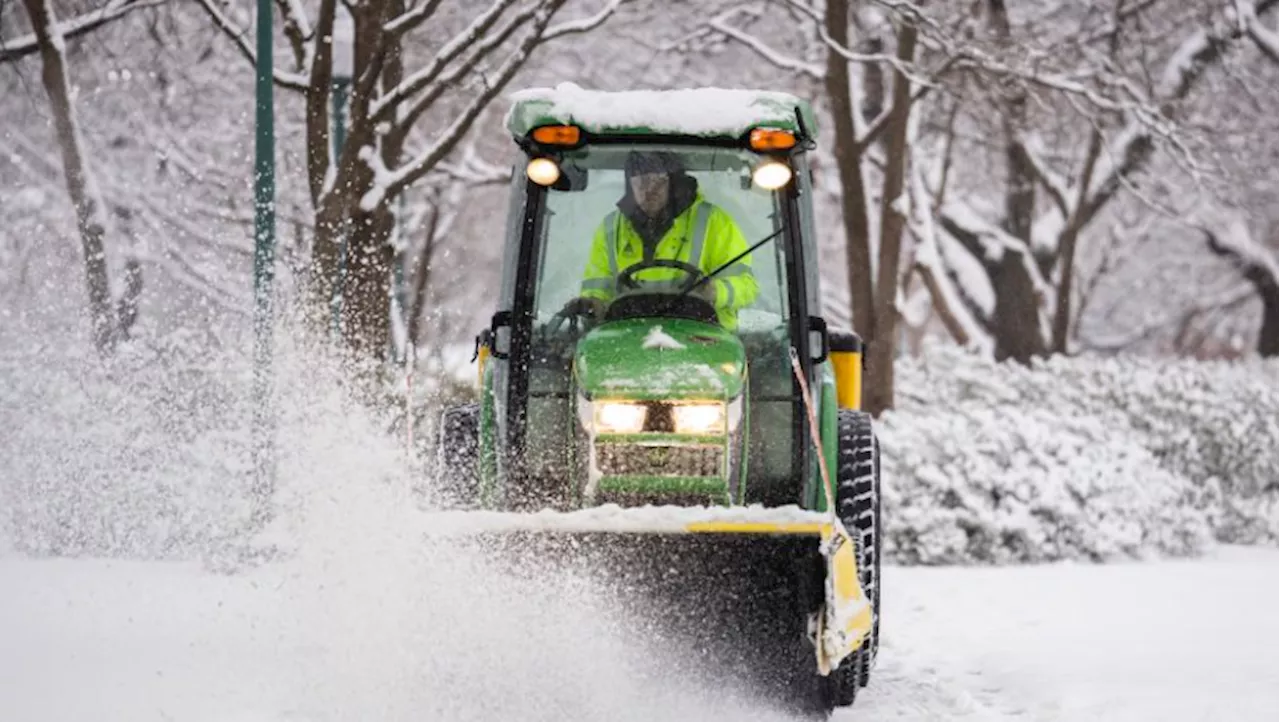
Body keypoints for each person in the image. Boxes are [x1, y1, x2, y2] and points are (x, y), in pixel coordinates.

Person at [565, 151, 758, 329]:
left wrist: (715, 291)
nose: (649, 190)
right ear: (629, 185)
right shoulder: (610, 229)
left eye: (658, 181)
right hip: (626, 338)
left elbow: (747, 286)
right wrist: (593, 303)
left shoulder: (714, 223)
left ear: (673, 183)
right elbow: (598, 287)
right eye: (640, 181)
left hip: (707, 337)